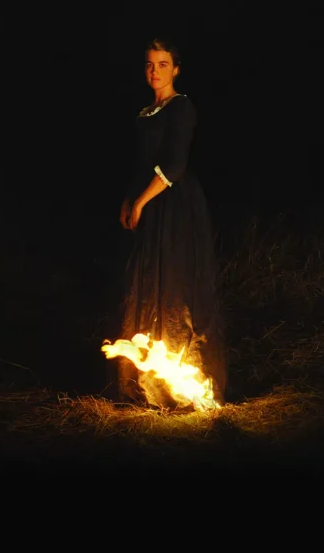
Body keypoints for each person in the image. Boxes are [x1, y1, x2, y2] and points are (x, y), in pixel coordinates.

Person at [112, 37, 226, 407]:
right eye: (149, 64)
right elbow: (140, 163)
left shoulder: (181, 107)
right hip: (148, 201)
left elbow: (174, 165)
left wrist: (142, 200)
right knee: (145, 283)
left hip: (174, 204)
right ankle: (144, 383)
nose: (155, 71)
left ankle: (184, 385)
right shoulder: (146, 112)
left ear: (175, 69)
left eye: (163, 64)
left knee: (174, 285)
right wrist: (129, 200)